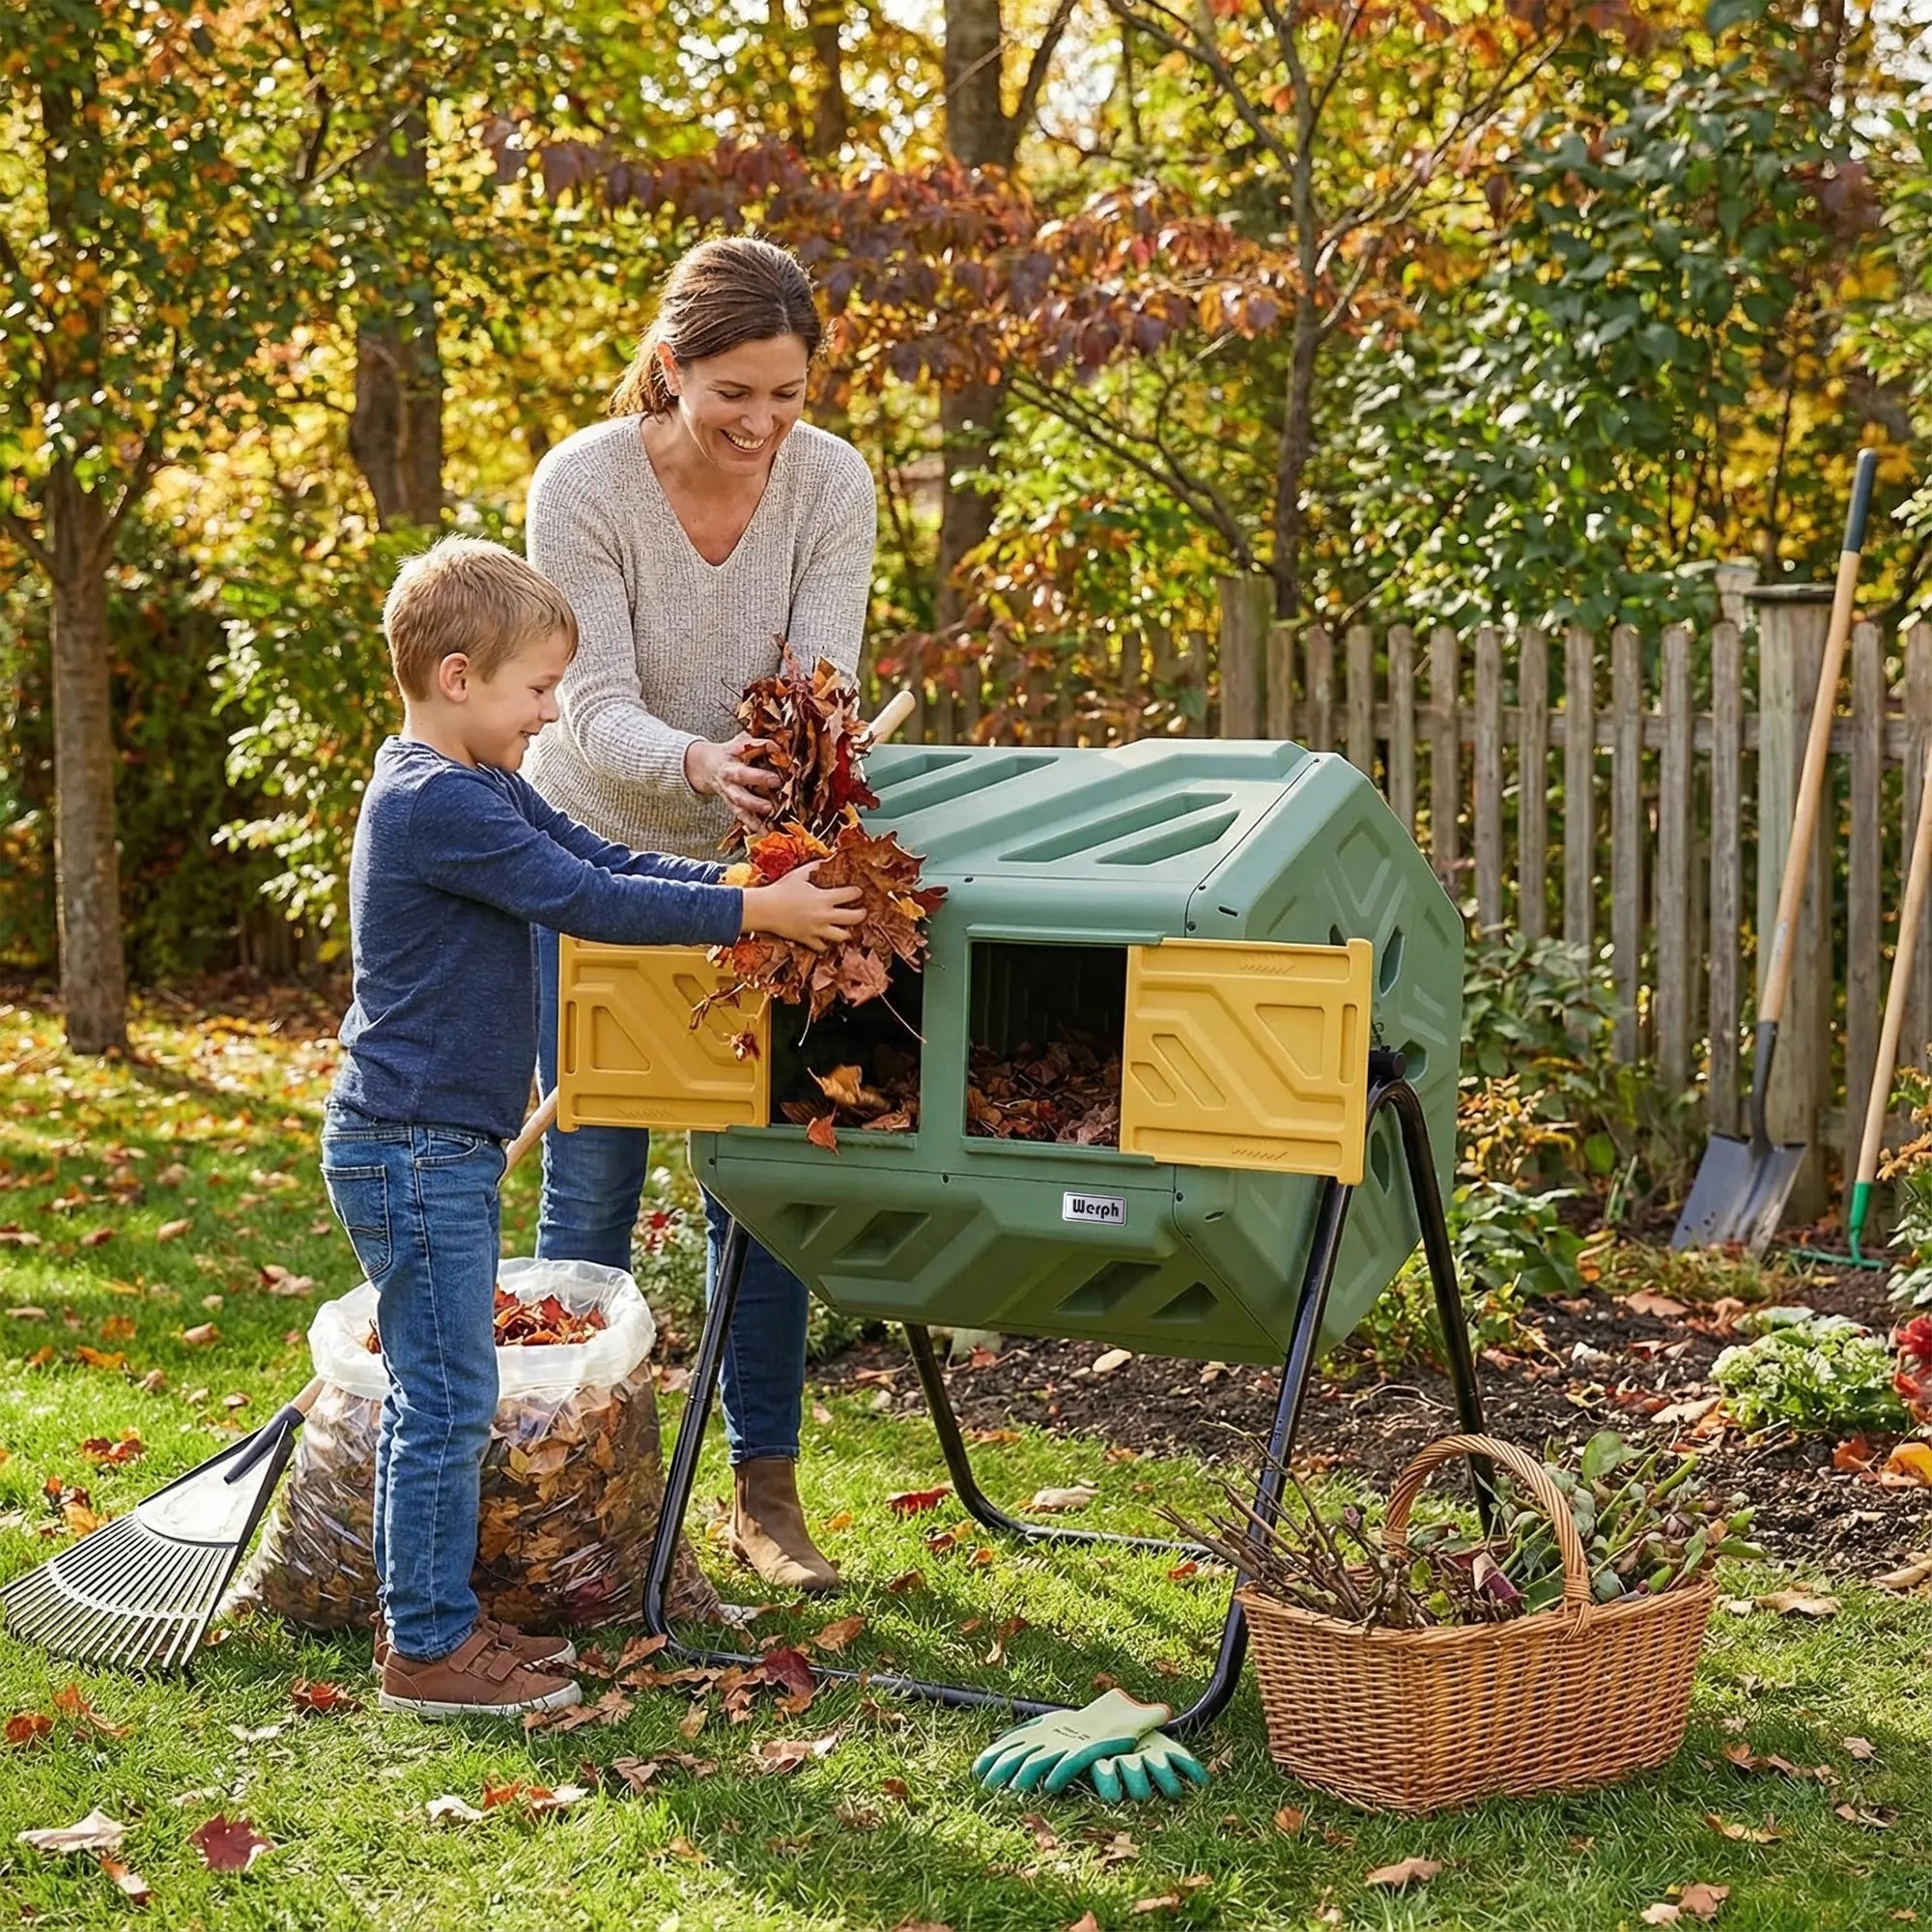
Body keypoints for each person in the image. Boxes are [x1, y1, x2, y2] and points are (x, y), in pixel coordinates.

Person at [321, 535, 862, 1719]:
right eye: (536, 689)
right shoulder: (433, 803)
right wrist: (750, 907)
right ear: (457, 676)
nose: (552, 712)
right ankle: (423, 1648)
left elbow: (600, 853)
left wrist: (733, 879)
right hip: (409, 1142)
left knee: (444, 1386)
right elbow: (584, 900)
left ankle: (443, 1616)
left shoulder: (484, 785)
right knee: (447, 1396)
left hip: (436, 1140)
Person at [524, 236, 877, 1593]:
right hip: (595, 854)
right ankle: (564, 1488)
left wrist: (786, 766)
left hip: (756, 868)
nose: (763, 426)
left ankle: (765, 1498)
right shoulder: (587, 483)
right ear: (669, 367)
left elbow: (820, 677)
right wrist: (692, 762)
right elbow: (584, 700)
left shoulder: (830, 481)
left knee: (761, 1185)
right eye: (736, 392)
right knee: (595, 1174)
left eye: (786, 396)